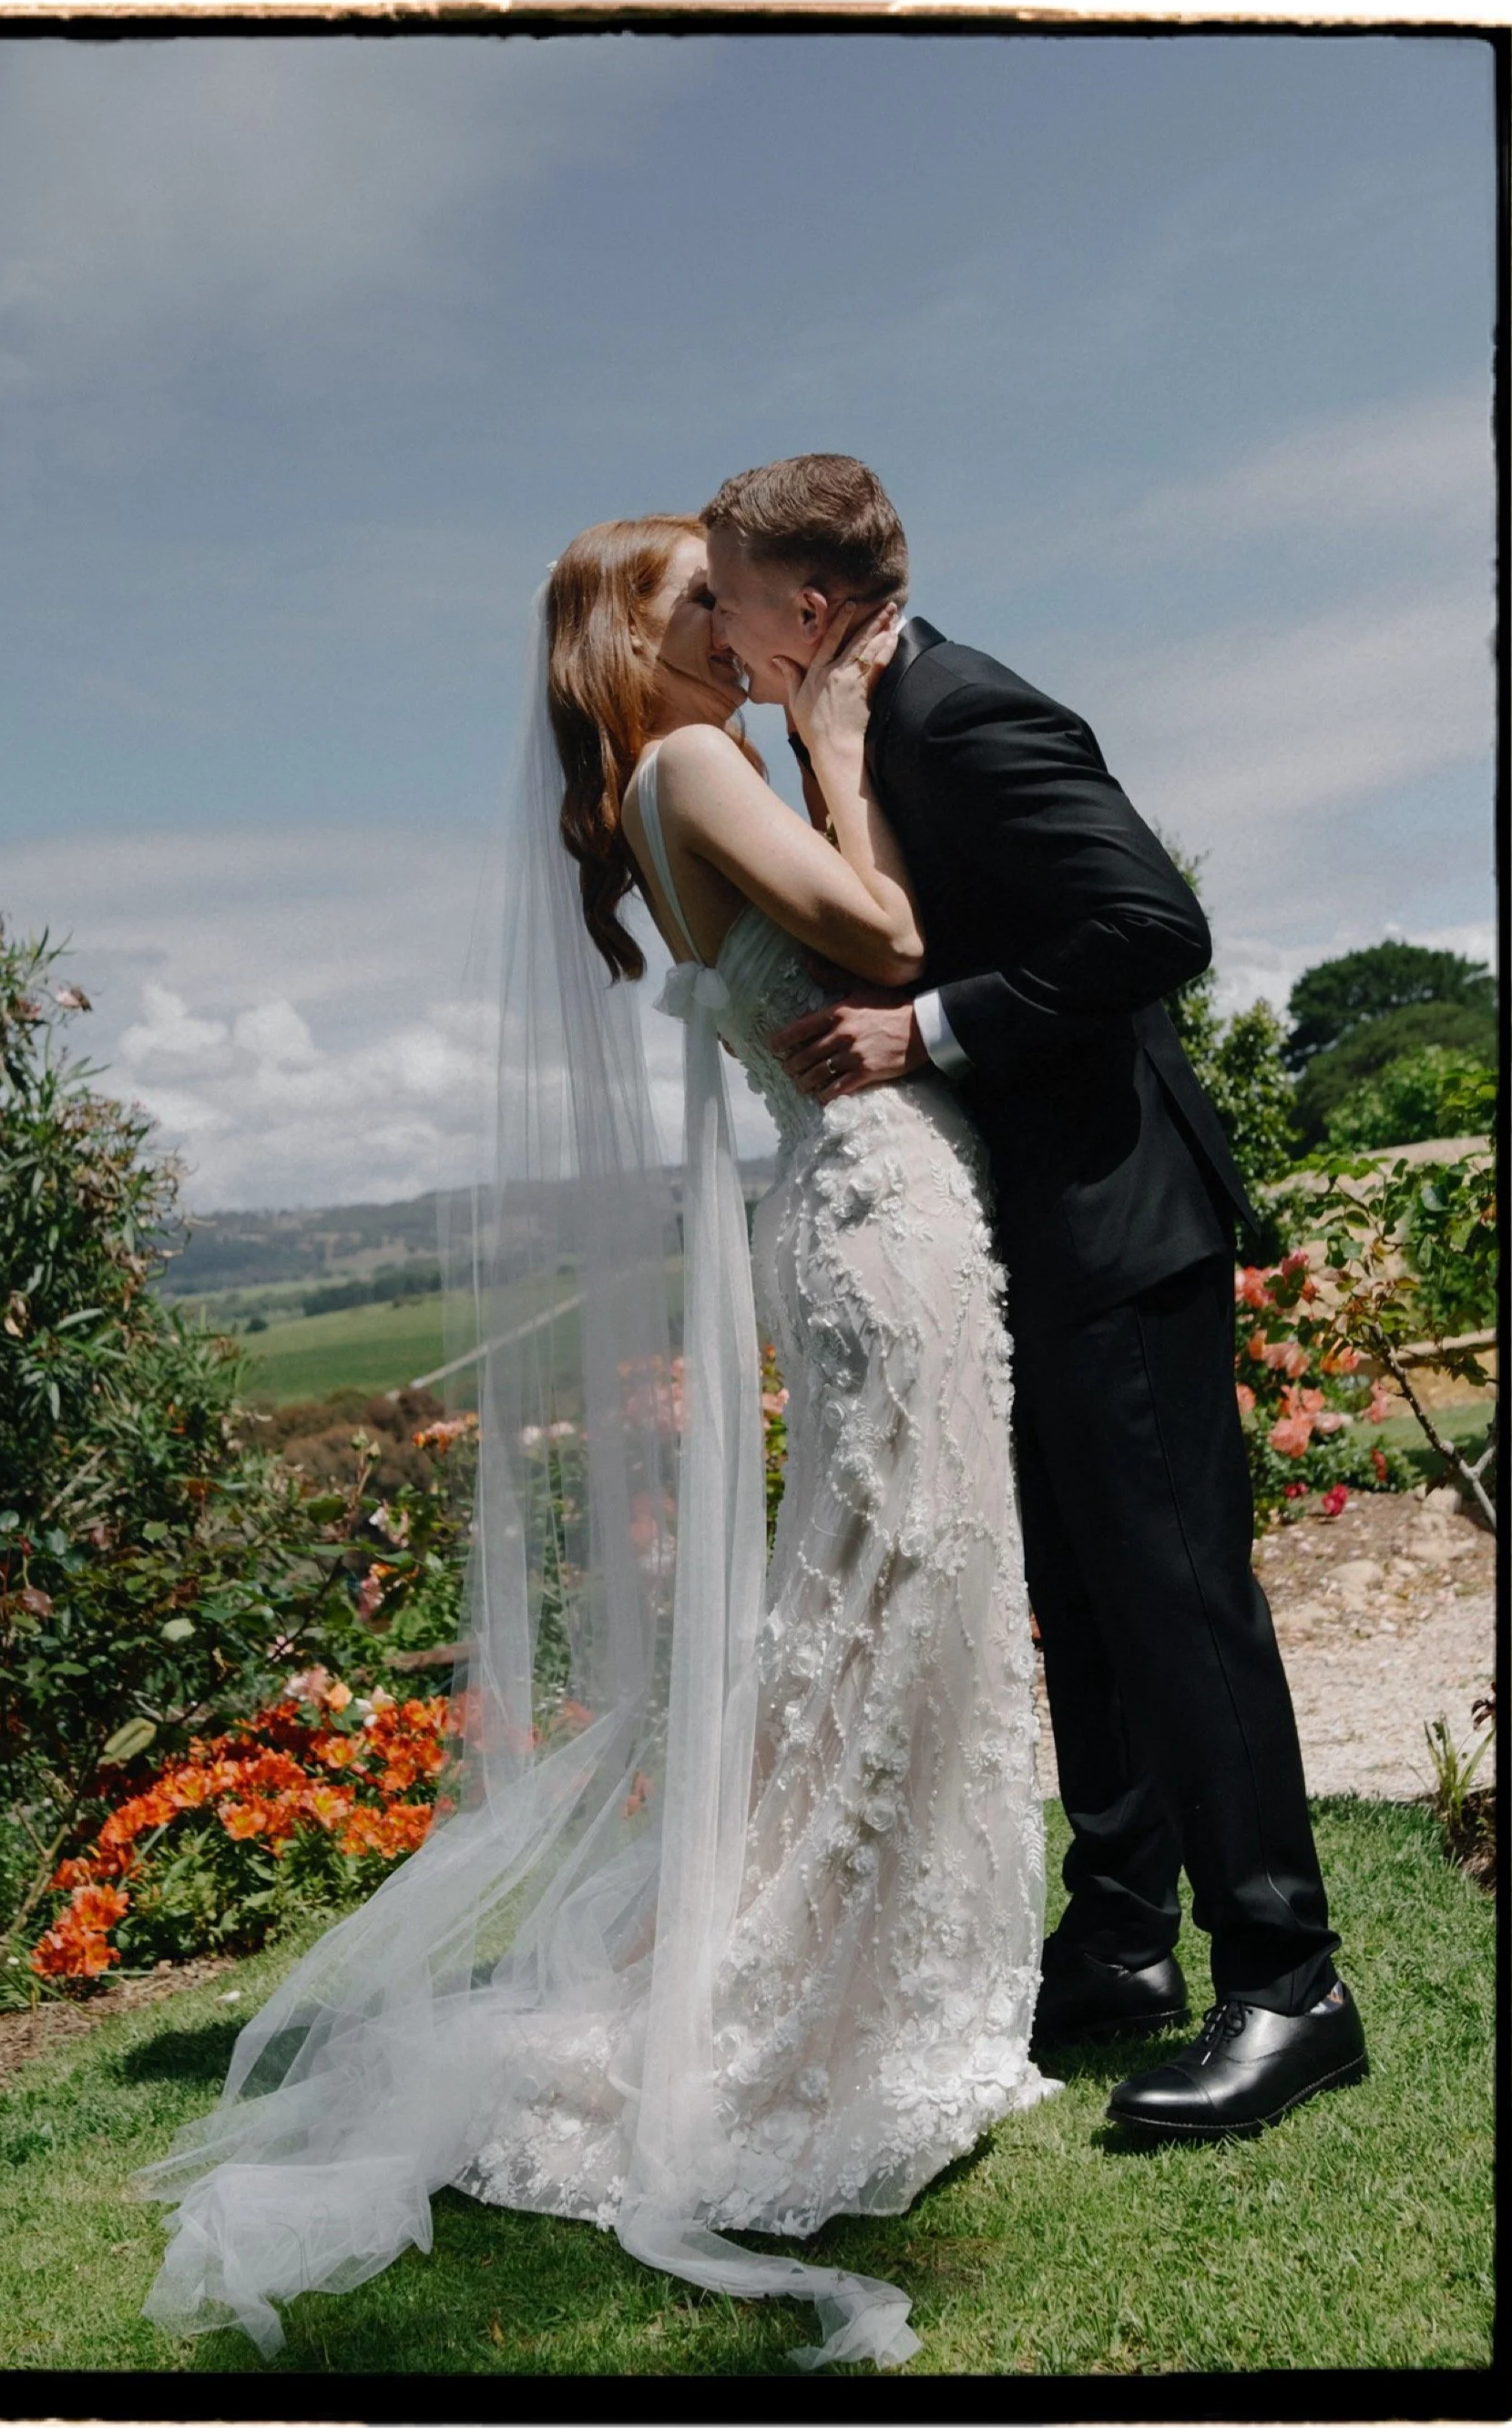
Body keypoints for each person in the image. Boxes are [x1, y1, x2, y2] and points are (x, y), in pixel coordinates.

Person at [136, 514, 1054, 2371]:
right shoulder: (703, 761)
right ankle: (813, 2010)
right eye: (700, 595)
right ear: (652, 630)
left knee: (887, 1610)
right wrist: (846, 746)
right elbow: (884, 934)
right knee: (895, 1611)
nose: (734, 617)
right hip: (880, 1212)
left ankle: (878, 1981)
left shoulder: (652, 788)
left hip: (865, 1213)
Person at [700, 454, 1367, 2138]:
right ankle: (1125, 1939)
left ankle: (1291, 1987)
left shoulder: (964, 715)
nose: (708, 620)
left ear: (804, 605)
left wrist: (922, 1033)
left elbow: (1155, 924)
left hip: (1118, 1228)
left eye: (723, 593)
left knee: (1177, 1601)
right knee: (1079, 1598)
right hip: (1026, 1241)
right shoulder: (848, 727)